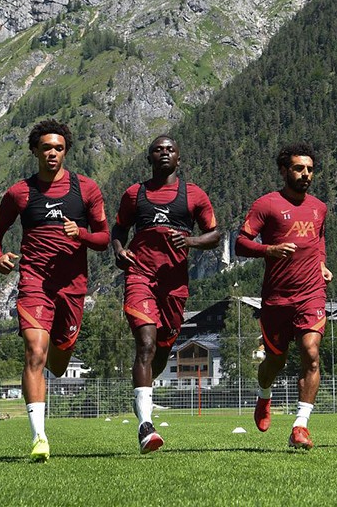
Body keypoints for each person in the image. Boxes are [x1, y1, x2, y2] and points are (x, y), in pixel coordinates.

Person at [0, 119, 109, 461]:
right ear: (35, 151)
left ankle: (60, 345)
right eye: (46, 148)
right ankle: (39, 436)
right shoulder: (20, 193)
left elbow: (103, 239)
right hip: (34, 283)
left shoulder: (86, 189)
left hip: (72, 288)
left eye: (58, 148)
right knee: (34, 353)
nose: (52, 153)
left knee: (59, 360)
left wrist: (80, 234)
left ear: (66, 151)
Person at [111, 135, 220, 454]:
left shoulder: (194, 194)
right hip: (140, 277)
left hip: (174, 286)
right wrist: (119, 250)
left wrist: (191, 241)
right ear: (149, 158)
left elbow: (215, 234)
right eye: (158, 149)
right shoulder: (134, 194)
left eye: (170, 149)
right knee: (145, 345)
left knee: (160, 351)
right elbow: (118, 230)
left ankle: (142, 391)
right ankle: (145, 425)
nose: (164, 153)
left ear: (178, 158)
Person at [236, 142, 332, 450]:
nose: (306, 174)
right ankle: (264, 394)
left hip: (311, 294)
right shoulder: (266, 205)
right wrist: (270, 250)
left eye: (310, 169)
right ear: (283, 171)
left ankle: (300, 426)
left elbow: (319, 240)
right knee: (275, 361)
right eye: (299, 168)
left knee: (311, 352)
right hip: (276, 299)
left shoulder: (319, 207)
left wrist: (322, 264)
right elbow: (240, 243)